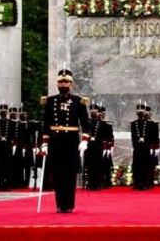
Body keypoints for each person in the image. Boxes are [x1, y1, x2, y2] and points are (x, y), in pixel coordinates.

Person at [40, 68, 91, 213]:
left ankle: (68, 204)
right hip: (55, 141)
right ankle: (59, 204)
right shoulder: (50, 102)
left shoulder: (78, 101)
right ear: (57, 84)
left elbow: (85, 124)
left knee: (69, 174)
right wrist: (44, 143)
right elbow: (46, 124)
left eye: (66, 82)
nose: (63, 84)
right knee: (57, 174)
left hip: (71, 141)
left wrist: (85, 140)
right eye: (61, 82)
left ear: (71, 84)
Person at [130, 101, 153, 190]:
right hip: (137, 147)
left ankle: (145, 183)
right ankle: (137, 183)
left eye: (141, 111)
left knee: (145, 166)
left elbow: (150, 136)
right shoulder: (134, 124)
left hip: (146, 147)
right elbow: (133, 136)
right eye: (138, 111)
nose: (140, 113)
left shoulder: (149, 124)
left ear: (144, 112)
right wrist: (135, 144)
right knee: (137, 166)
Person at [0, 104, 13, 190]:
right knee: (0, 166)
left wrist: (7, 139)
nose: (3, 113)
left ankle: (8, 184)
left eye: (4, 112)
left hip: (7, 146)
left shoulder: (10, 122)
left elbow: (12, 135)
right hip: (0, 147)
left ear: (7, 112)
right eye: (2, 112)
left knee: (8, 166)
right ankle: (1, 185)